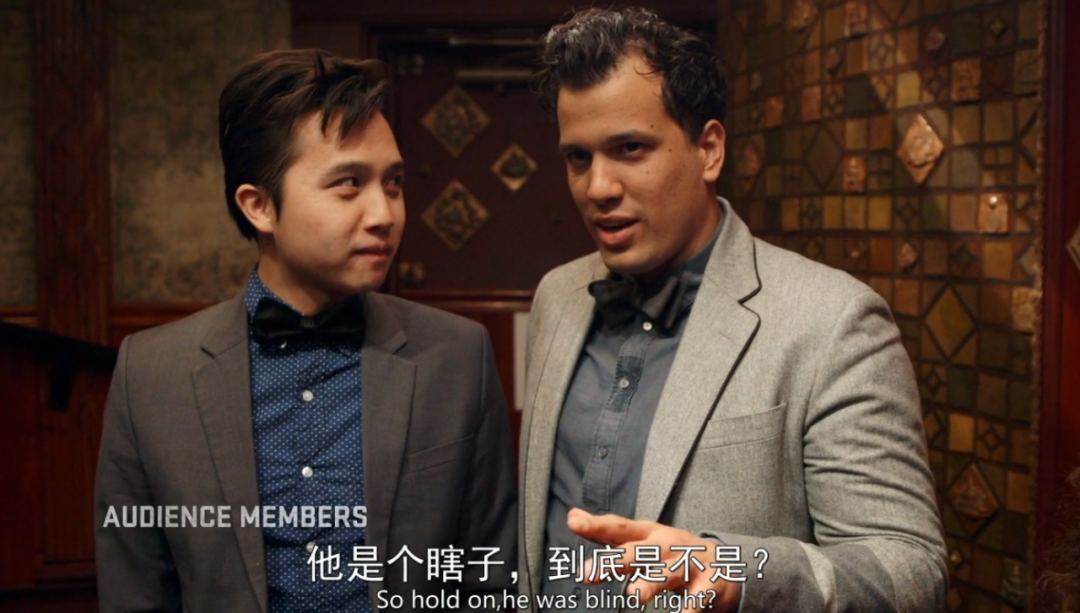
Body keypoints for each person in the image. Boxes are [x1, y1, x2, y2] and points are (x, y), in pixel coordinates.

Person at [518, 8, 946, 612]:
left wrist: (736, 572)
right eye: (578, 158)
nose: (598, 188)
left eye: (631, 148)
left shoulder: (833, 322)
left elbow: (910, 570)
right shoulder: (557, 297)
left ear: (709, 150)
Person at [94, 49, 516, 612]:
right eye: (348, 184)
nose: (384, 214)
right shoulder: (151, 373)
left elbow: (489, 578)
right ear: (260, 207)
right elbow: (135, 590)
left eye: (393, 183)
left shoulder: (456, 355)